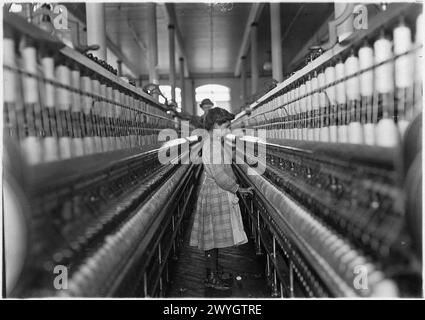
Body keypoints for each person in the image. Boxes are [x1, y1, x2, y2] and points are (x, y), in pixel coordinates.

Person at [189, 107, 253, 290]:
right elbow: (218, 173)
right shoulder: (213, 145)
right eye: (226, 126)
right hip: (216, 191)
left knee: (214, 237)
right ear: (216, 125)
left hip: (216, 190)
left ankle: (214, 270)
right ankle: (211, 276)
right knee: (211, 238)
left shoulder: (215, 143)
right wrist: (237, 188)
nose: (228, 130)